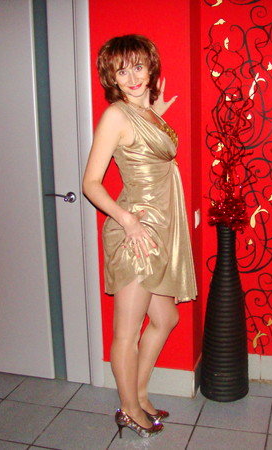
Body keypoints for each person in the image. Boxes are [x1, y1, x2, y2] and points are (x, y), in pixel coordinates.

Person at [82, 35, 197, 438]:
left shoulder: (144, 112)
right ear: (111, 77)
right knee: (127, 334)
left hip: (160, 231)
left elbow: (149, 150)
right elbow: (91, 183)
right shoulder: (116, 116)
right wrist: (128, 221)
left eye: (137, 66)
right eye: (121, 70)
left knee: (167, 318)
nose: (131, 77)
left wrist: (153, 113)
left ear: (150, 68)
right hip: (136, 235)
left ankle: (141, 393)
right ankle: (129, 409)